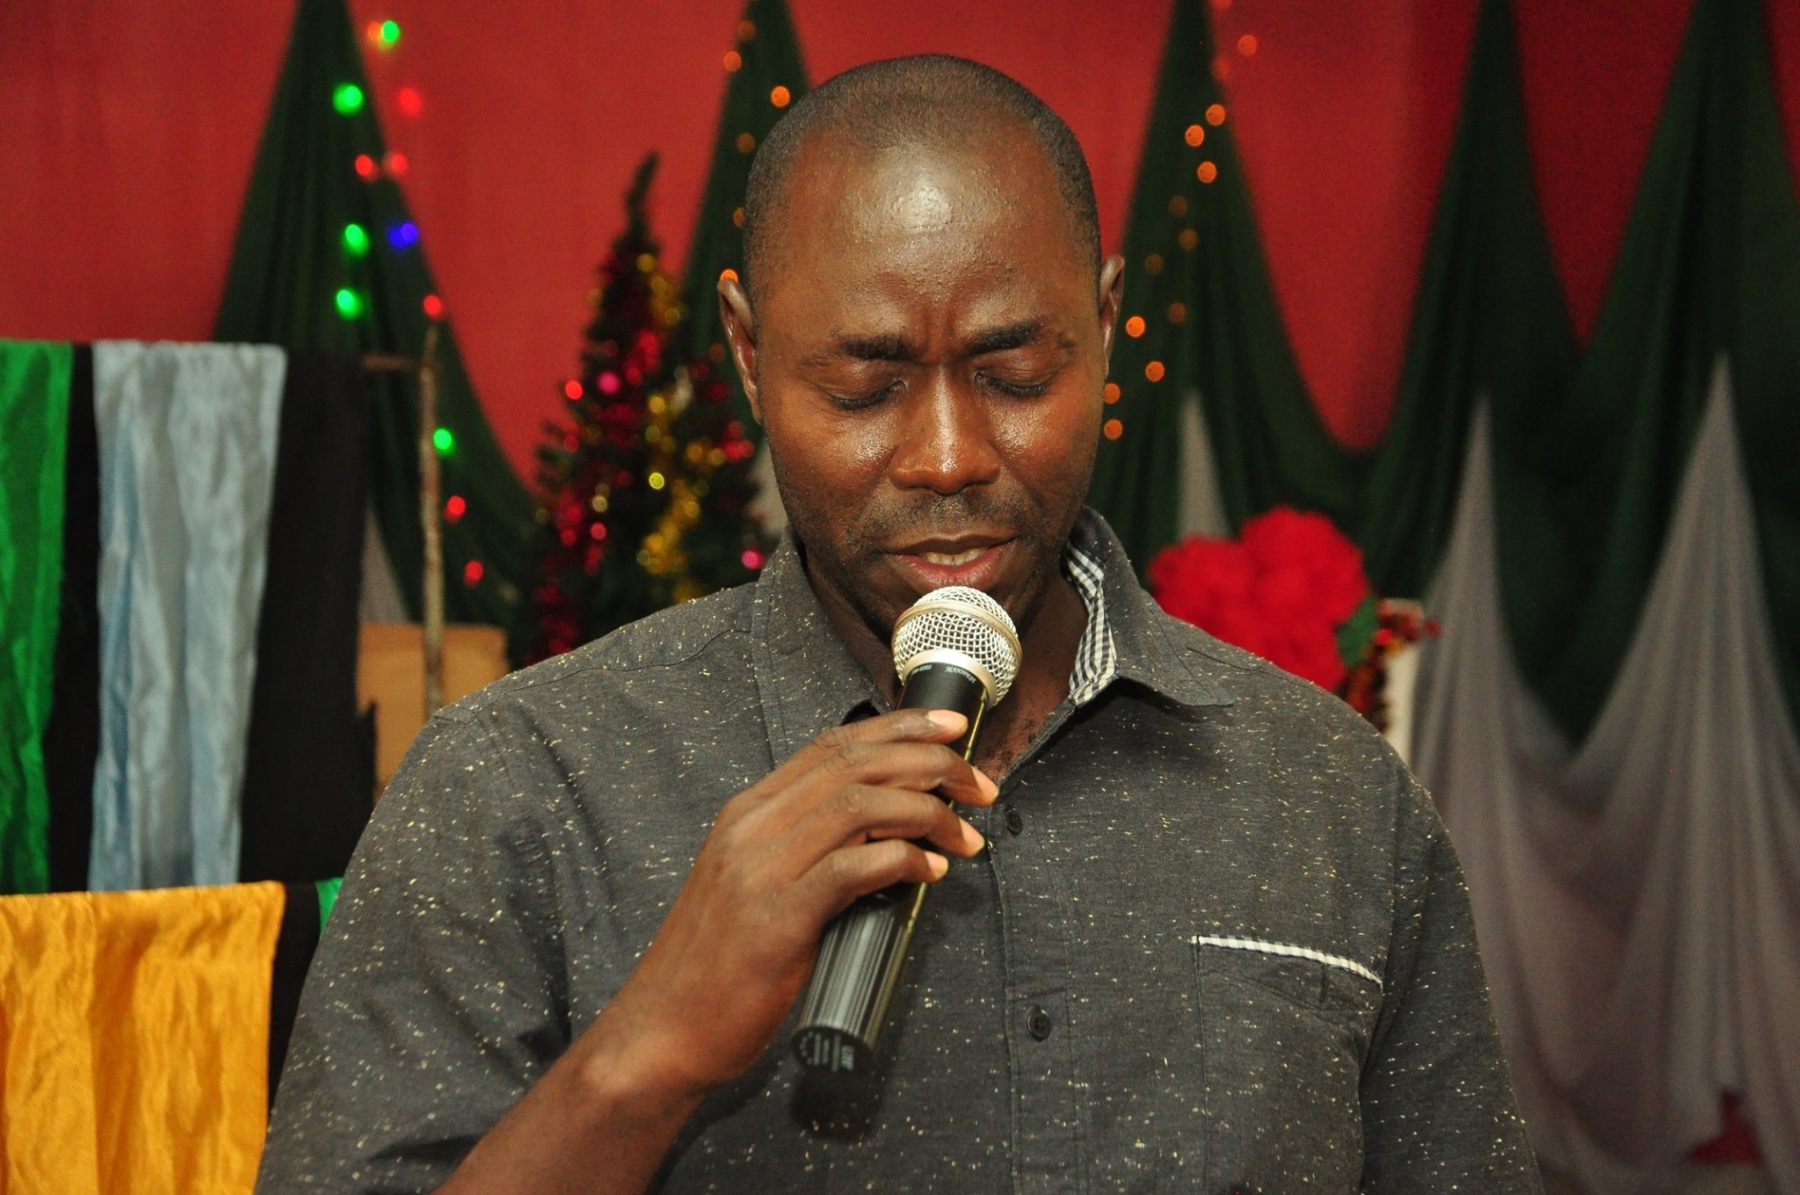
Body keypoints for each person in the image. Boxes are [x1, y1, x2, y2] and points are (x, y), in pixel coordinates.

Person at [257, 56, 1543, 1195]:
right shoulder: (517, 786)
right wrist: (641, 1057)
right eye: (864, 387)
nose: (945, 455)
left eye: (1014, 374)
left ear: (1105, 325)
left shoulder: (1329, 793)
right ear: (750, 353)